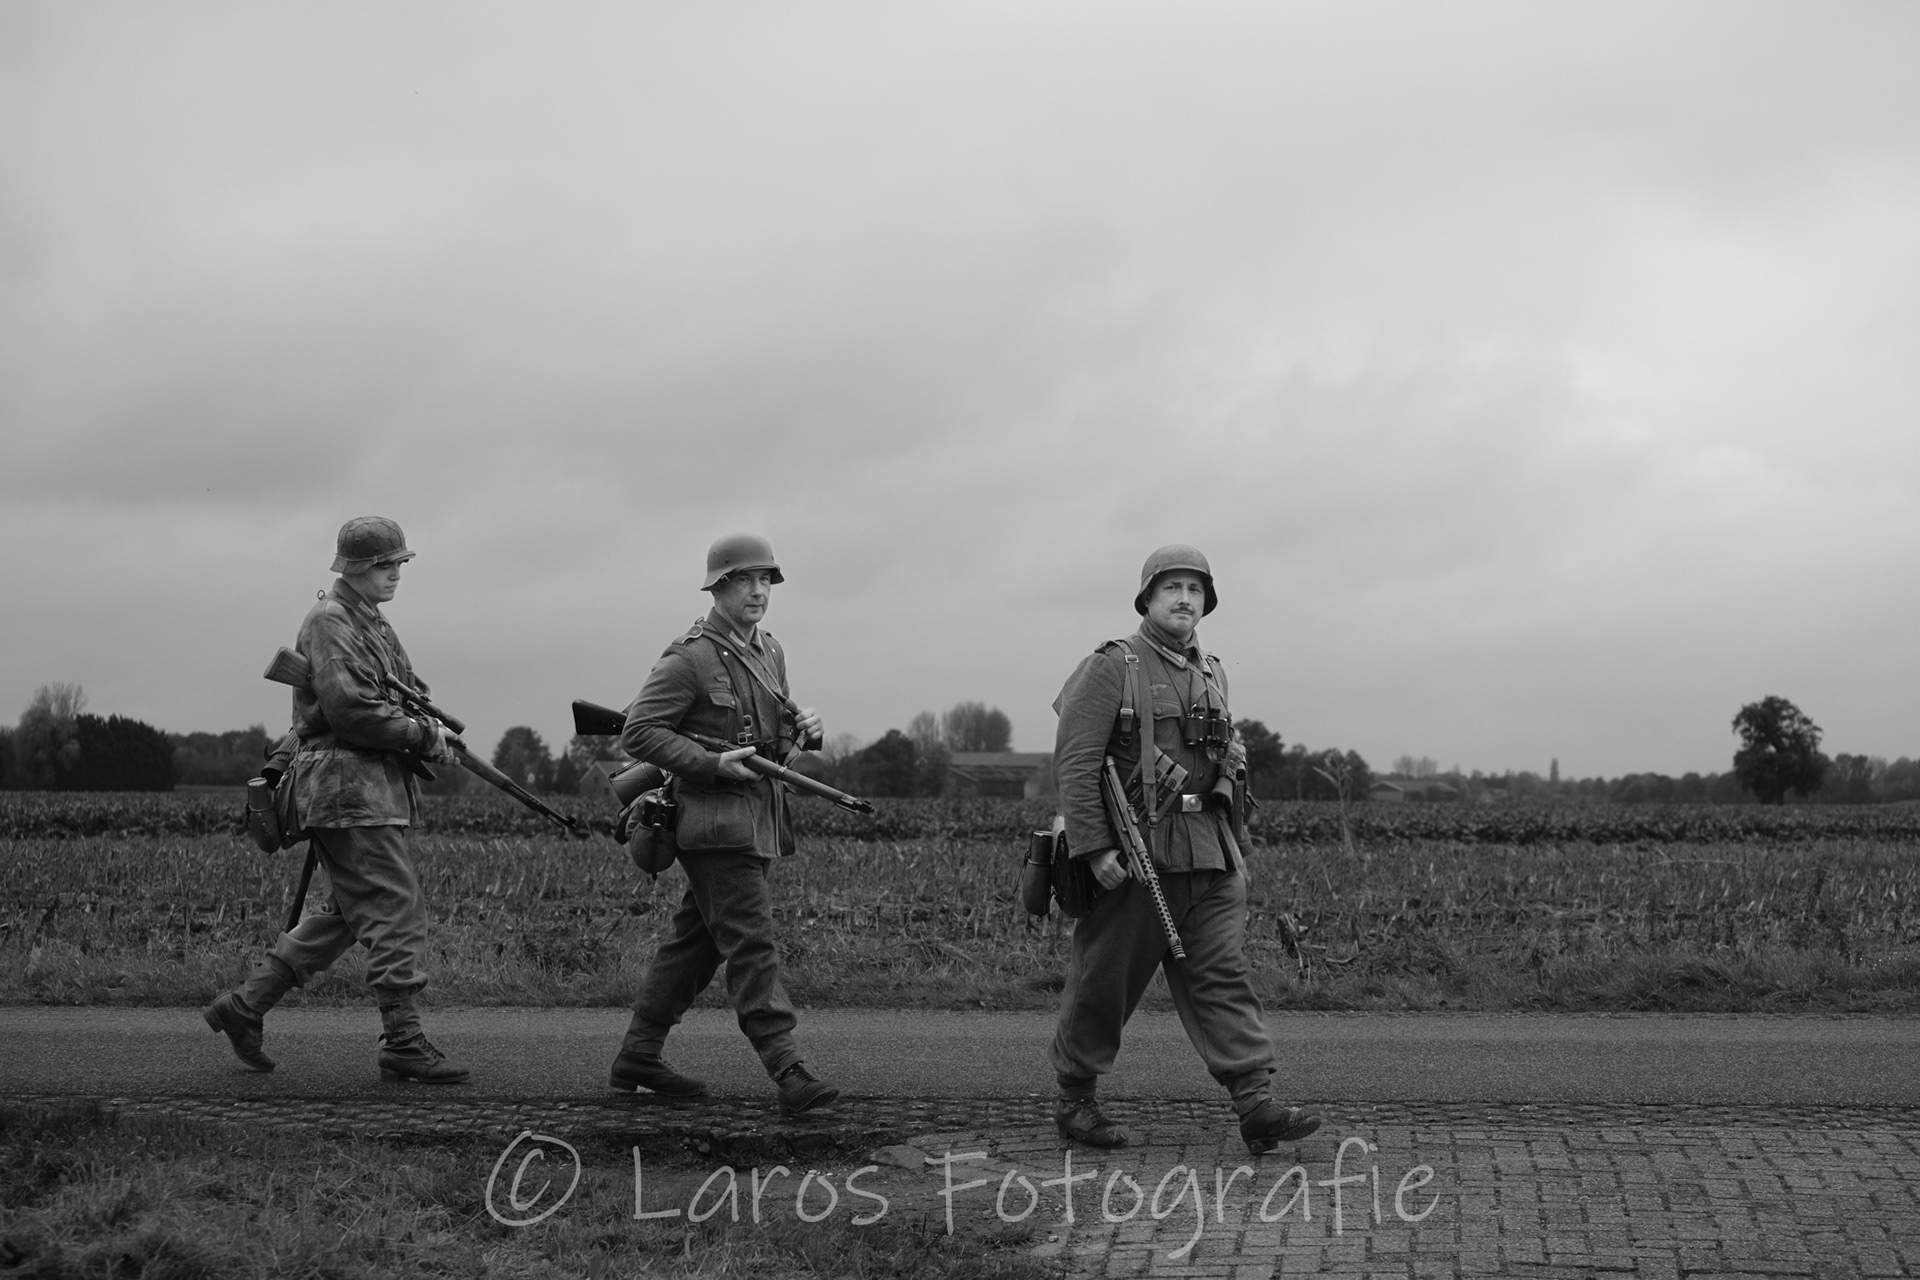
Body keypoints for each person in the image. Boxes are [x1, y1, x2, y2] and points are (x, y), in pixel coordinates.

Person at [1048, 544, 1321, 1153]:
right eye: (1170, 587)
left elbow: (1227, 760)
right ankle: (1075, 1098)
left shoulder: (1214, 671)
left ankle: (1255, 1101)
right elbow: (1075, 762)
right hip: (1137, 852)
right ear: (1147, 598)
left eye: (1194, 590)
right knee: (1106, 980)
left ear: (1207, 602)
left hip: (1210, 848)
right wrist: (1094, 850)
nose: (1183, 599)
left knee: (1223, 974)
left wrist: (1238, 844)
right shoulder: (1112, 666)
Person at [203, 516, 467, 1084]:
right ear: (352, 567)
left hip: (366, 787)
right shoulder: (330, 620)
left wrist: (432, 727)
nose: (395, 573)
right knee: (396, 908)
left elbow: (409, 691)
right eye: (384, 564)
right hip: (348, 788)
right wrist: (421, 735)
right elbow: (350, 711)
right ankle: (402, 1040)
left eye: (399, 563)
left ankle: (245, 1007)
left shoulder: (373, 623)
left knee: (349, 916)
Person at [608, 533, 840, 1115]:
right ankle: (787, 1068)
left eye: (767, 580)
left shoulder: (769, 652)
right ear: (719, 587)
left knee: (696, 945)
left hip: (757, 819)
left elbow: (771, 742)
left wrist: (804, 730)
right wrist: (708, 763)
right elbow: (638, 732)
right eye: (745, 580)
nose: (759, 590)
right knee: (751, 943)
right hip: (713, 824)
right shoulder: (689, 656)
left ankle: (638, 1054)